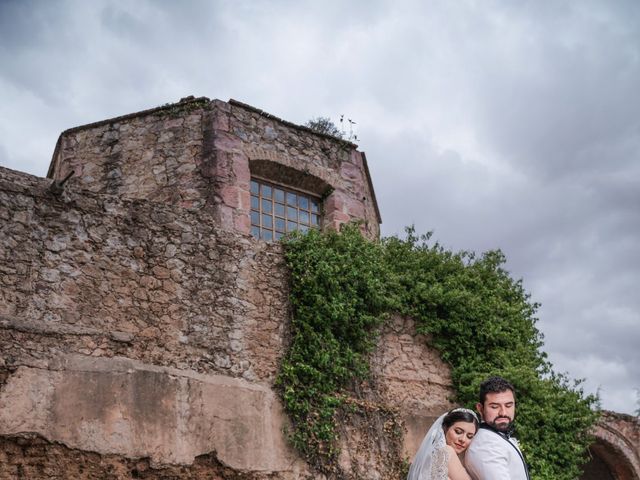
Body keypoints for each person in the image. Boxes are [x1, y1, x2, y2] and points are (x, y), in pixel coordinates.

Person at [464, 376, 530, 480]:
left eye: (508, 406)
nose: (503, 413)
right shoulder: (485, 445)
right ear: (480, 409)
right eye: (494, 407)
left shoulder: (495, 436)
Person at [407, 407, 479, 480]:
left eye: (469, 436)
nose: (463, 439)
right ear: (445, 428)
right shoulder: (446, 452)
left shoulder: (431, 455)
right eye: (458, 432)